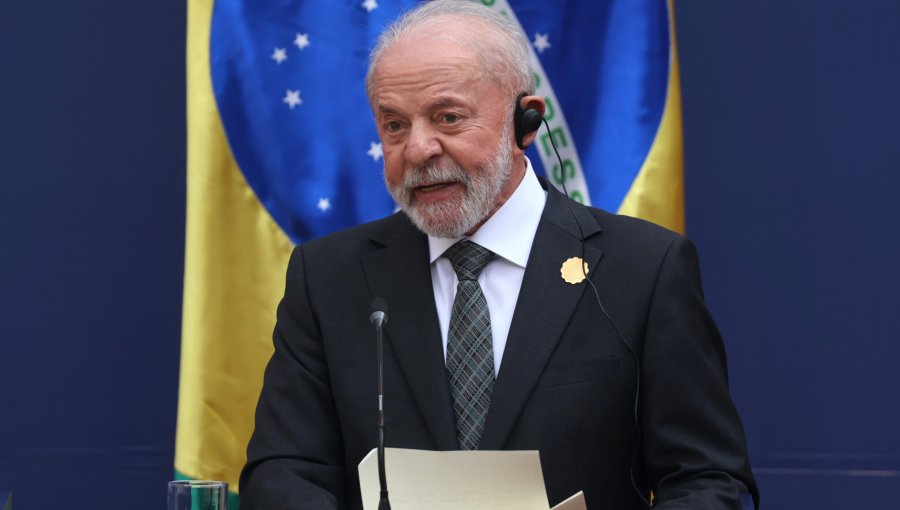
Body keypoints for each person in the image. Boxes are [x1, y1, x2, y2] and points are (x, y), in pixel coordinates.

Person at [239, 1, 758, 508]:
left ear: (525, 123)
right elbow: (284, 470)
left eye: (448, 118)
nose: (418, 149)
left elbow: (705, 477)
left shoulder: (643, 269)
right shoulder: (328, 278)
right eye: (394, 125)